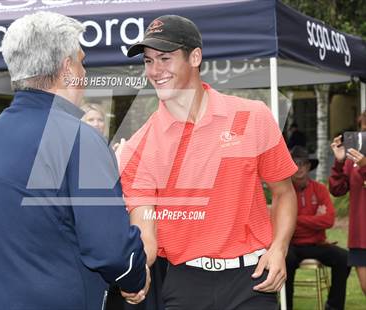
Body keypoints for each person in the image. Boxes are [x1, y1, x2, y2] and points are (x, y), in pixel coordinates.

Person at [0, 11, 150, 310]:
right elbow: (110, 249)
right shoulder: (79, 139)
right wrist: (134, 277)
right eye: (82, 62)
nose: (84, 74)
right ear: (67, 67)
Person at [119, 15, 298, 309]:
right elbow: (145, 231)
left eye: (165, 58)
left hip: (252, 279)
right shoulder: (138, 145)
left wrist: (278, 249)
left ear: (195, 57)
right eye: (148, 61)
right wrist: (140, 270)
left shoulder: (251, 115)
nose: (155, 70)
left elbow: (284, 192)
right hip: (185, 284)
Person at [285, 146, 350, 310]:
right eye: (294, 163)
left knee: (345, 258)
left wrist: (295, 219)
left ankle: (333, 306)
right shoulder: (284, 190)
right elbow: (280, 222)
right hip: (291, 244)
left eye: (303, 163)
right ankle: (286, 306)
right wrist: (315, 219)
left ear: (308, 166)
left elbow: (329, 220)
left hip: (317, 244)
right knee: (285, 260)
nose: (298, 167)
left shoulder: (319, 189)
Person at [329, 110, 366, 295]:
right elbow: (337, 189)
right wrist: (339, 161)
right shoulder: (355, 157)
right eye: (363, 128)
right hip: (361, 234)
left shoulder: (361, 161)